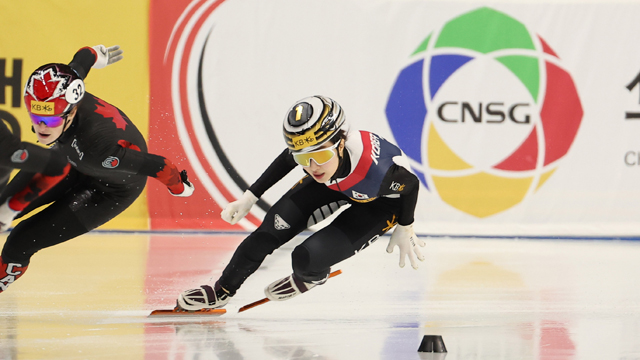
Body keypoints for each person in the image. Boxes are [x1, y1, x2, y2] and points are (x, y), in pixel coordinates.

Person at [177, 95, 425, 311]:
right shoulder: (316, 149)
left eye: (320, 155)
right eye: (304, 157)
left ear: (340, 143)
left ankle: (313, 276)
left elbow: (411, 184)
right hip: (332, 184)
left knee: (306, 259)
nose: (312, 166)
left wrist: (405, 226)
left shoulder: (377, 171)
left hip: (378, 203)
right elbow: (287, 160)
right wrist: (249, 197)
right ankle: (221, 291)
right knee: (265, 235)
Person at [0, 45, 195, 293]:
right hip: (69, 160)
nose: (41, 126)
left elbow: (159, 165)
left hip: (107, 191)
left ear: (71, 111)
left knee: (19, 242)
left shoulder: (99, 150)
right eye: (35, 112)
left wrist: (180, 188)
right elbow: (82, 58)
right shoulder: (66, 84)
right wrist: (95, 54)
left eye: (50, 117)